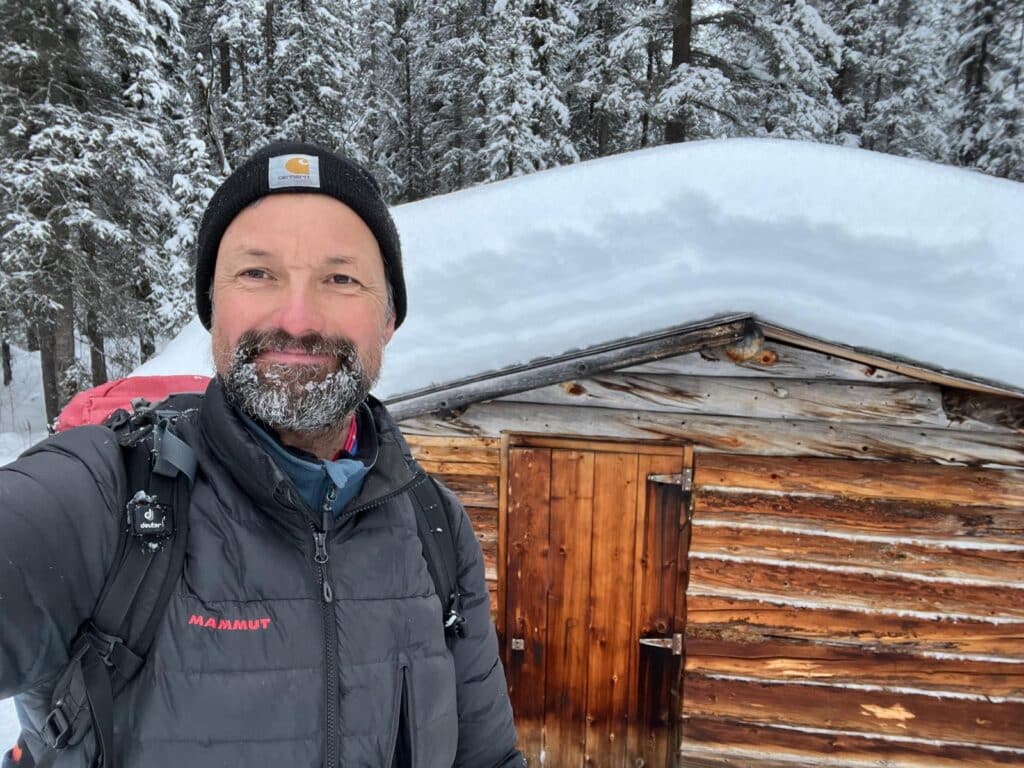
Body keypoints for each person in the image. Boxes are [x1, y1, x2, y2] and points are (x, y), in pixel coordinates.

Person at [0, 142, 524, 767]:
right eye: (257, 273)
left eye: (340, 278)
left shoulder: (434, 526)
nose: (298, 319)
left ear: (388, 319)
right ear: (212, 309)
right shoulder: (108, 498)